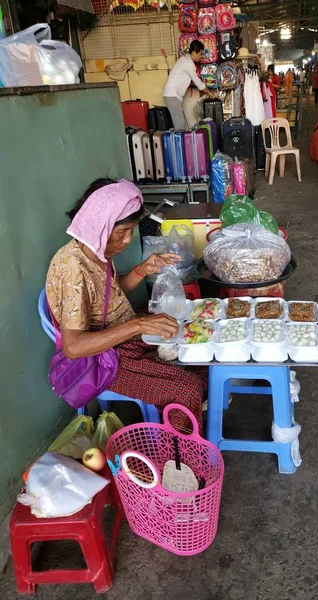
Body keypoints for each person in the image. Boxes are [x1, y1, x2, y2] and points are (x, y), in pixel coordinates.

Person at [46, 179, 207, 432]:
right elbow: (73, 346)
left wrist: (142, 269)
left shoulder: (97, 252)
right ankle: (175, 462)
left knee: (196, 344)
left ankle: (189, 425)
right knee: (185, 390)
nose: (128, 240)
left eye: (130, 231)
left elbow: (110, 293)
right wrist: (139, 324)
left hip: (123, 336)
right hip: (101, 358)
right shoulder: (72, 268)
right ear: (100, 223)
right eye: (122, 232)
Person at [163, 40, 214, 131]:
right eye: (200, 54)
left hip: (173, 96)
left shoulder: (184, 59)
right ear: (194, 53)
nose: (201, 56)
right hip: (172, 96)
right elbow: (198, 83)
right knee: (180, 128)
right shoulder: (188, 64)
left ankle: (189, 143)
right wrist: (210, 93)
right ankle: (179, 144)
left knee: (185, 127)